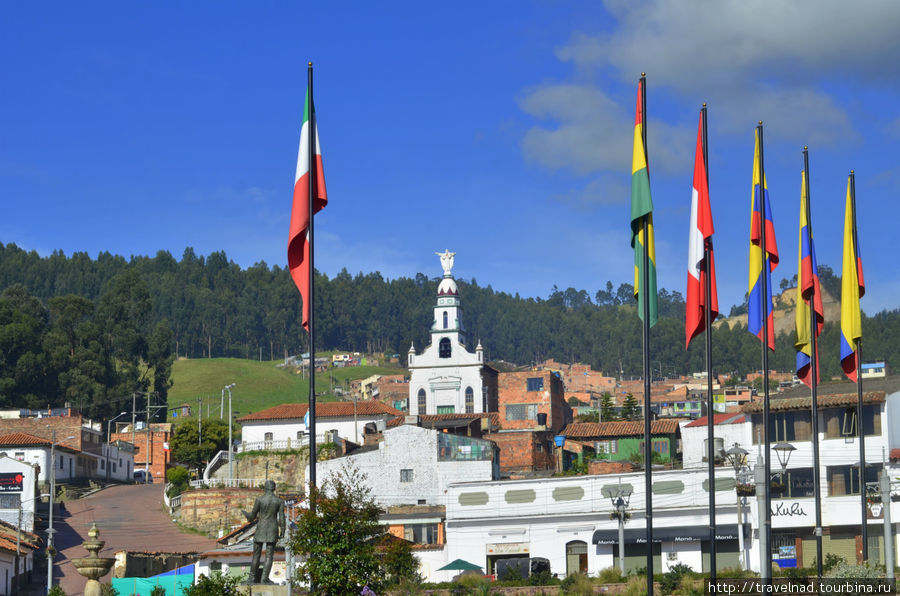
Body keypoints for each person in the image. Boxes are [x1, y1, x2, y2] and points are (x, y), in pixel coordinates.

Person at [242, 480, 285, 584]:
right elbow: (282, 517)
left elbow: (252, 517)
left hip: (260, 529)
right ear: (274, 488)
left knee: (256, 555)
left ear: (265, 488)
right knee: (269, 555)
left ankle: (252, 578)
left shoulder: (259, 500)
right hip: (272, 529)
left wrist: (247, 515)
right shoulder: (278, 501)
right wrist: (283, 530)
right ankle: (264, 578)